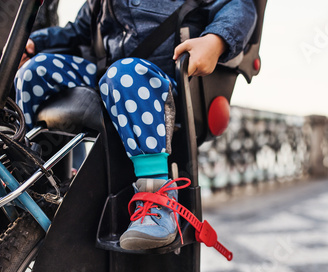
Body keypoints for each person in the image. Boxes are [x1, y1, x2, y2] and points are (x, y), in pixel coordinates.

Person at [15, 0, 257, 251]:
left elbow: (240, 6)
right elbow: (77, 31)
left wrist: (216, 40)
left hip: (161, 83)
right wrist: (37, 41)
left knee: (124, 74)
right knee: (34, 71)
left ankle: (158, 198)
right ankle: (33, 179)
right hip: (106, 77)